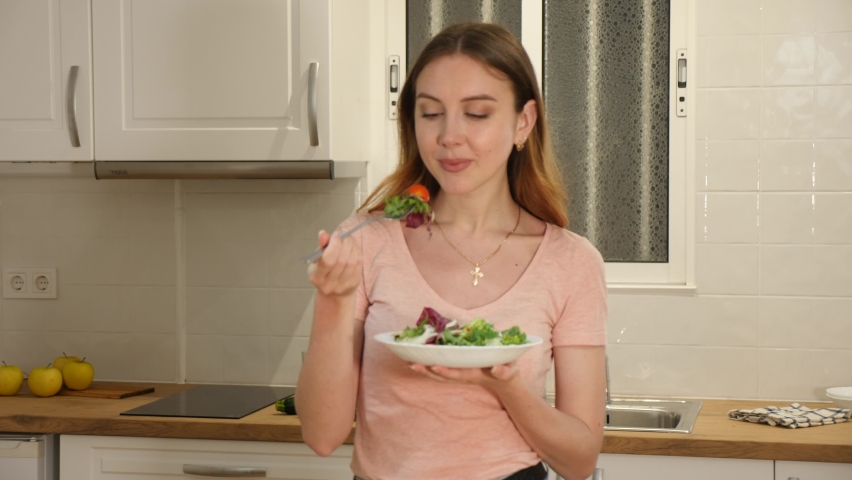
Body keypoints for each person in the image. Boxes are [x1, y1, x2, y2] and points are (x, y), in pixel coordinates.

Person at [296, 22, 607, 480]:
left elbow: (579, 460)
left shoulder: (572, 262)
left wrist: (504, 383)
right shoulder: (366, 239)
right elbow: (322, 436)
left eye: (477, 114)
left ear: (523, 122)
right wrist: (332, 301)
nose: (448, 136)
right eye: (430, 113)